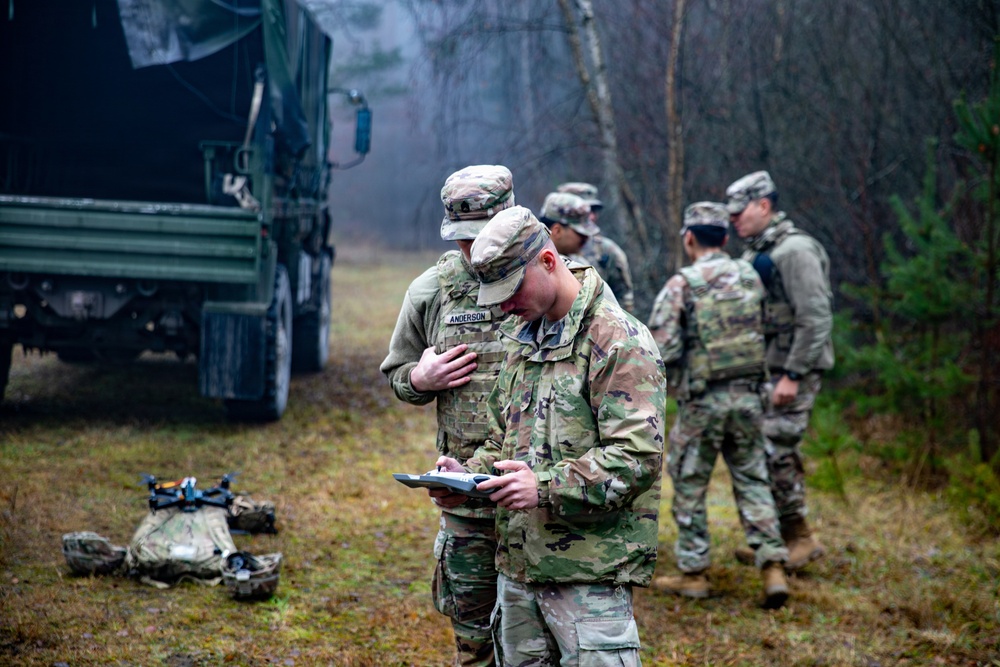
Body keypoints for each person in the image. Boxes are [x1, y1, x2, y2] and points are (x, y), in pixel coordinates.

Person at [435, 205, 665, 666]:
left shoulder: (617, 340)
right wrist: (468, 478)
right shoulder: (523, 337)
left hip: (588, 579)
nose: (503, 305)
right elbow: (504, 440)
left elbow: (636, 457)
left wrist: (542, 488)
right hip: (517, 570)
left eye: (511, 289)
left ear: (547, 260)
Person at [380, 164, 516, 667]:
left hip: (543, 492)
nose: (472, 250)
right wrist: (421, 379)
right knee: (474, 638)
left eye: (482, 237)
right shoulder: (432, 289)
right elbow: (397, 373)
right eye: (462, 239)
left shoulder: (548, 276)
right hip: (466, 495)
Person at [646, 202, 789, 609]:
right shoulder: (751, 276)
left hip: (703, 403)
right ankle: (773, 567)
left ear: (689, 238)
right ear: (725, 238)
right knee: (753, 479)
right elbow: (771, 325)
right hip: (749, 398)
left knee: (690, 483)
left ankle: (694, 573)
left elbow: (661, 348)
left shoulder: (683, 284)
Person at [725, 170, 834, 570]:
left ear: (764, 205)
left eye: (741, 212)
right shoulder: (758, 252)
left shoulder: (796, 250)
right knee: (764, 452)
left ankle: (799, 537)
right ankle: (774, 541)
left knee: (777, 450)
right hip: (767, 373)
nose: (735, 220)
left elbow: (816, 318)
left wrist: (793, 374)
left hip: (790, 372)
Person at [556, 182, 636, 313]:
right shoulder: (540, 248)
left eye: (593, 210)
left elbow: (623, 303)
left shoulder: (607, 251)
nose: (591, 216)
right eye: (584, 210)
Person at [537, 191, 600, 258]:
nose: (586, 238)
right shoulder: (528, 259)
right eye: (580, 233)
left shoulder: (578, 263)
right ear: (557, 231)